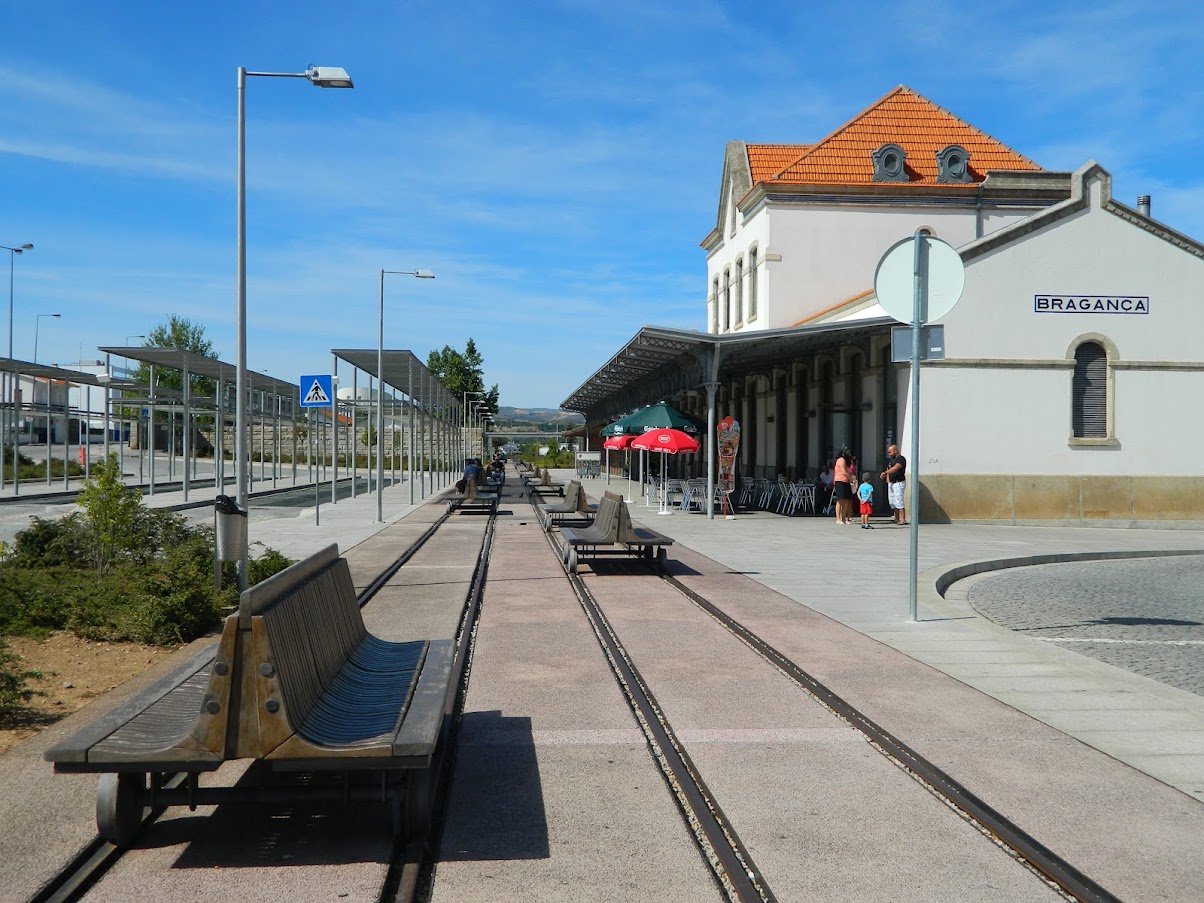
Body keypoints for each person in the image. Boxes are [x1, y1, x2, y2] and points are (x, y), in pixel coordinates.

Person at [880, 444, 907, 525]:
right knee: (893, 501)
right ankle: (897, 518)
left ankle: (902, 519)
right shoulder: (891, 460)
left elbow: (895, 468)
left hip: (898, 482)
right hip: (891, 483)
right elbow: (889, 468)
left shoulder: (901, 459)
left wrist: (885, 473)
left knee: (899, 500)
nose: (889, 454)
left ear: (895, 451)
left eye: (890, 452)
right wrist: (888, 478)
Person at [832, 448, 852, 524]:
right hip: (840, 481)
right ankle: (838, 518)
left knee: (846, 500)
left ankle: (843, 518)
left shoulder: (847, 462)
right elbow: (844, 472)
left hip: (846, 481)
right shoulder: (841, 460)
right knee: (840, 500)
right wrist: (852, 478)